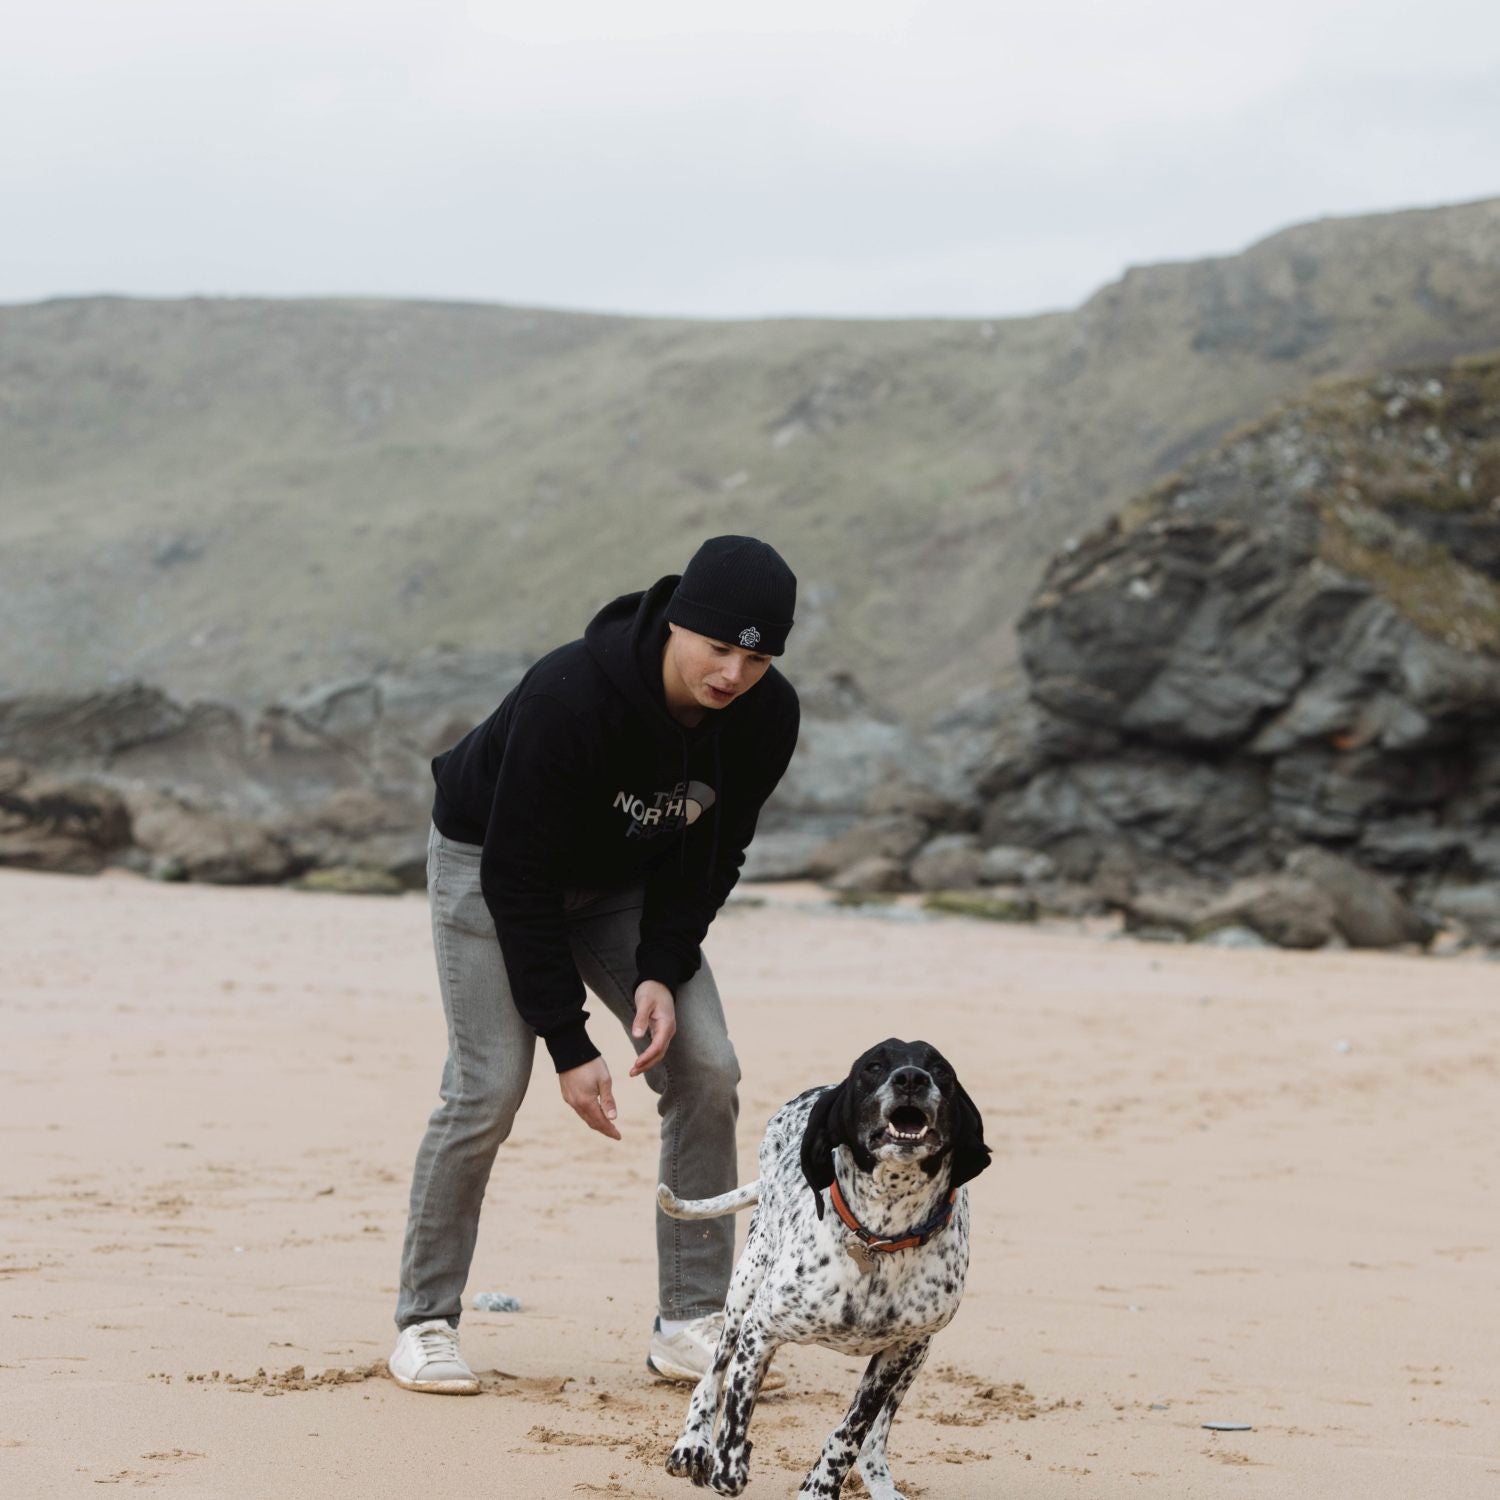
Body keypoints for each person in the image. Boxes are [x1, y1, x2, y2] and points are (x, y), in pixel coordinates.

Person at [389, 535, 800, 1395]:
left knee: (707, 1066)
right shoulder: (570, 694)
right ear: (677, 622)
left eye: (758, 659)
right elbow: (518, 878)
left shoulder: (766, 716)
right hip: (489, 861)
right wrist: (570, 1045)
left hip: (623, 883)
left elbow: (712, 854)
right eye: (717, 649)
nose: (734, 674)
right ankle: (425, 1321)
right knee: (488, 1086)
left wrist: (660, 967)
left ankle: (691, 1323)